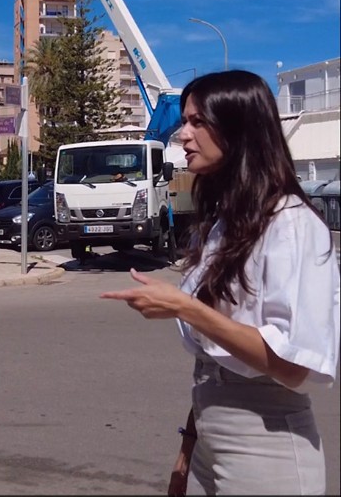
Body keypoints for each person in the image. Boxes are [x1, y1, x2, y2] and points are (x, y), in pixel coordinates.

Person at [100, 70, 339, 496]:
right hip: (210, 440)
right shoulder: (225, 225)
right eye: (184, 122)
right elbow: (212, 366)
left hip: (266, 449)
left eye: (198, 122)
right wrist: (188, 450)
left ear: (239, 130)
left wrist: (185, 307)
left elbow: (293, 365)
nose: (183, 136)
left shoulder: (292, 224)